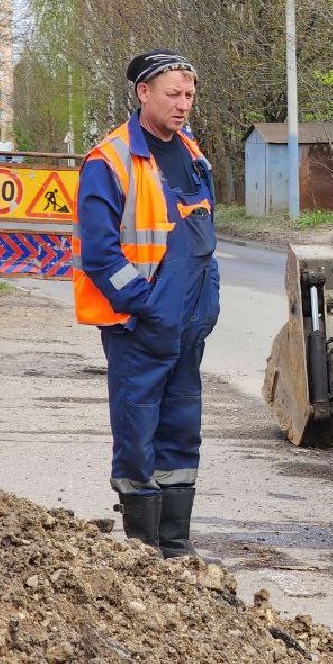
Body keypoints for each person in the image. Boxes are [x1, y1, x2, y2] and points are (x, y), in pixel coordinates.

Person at [73, 51, 220, 558]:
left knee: (182, 434)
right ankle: (141, 550)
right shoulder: (109, 160)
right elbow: (98, 253)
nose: (183, 105)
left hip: (188, 327)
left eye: (189, 95)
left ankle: (175, 547)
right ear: (143, 94)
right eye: (173, 94)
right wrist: (142, 304)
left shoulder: (192, 153)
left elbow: (204, 241)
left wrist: (208, 301)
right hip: (139, 328)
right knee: (137, 436)